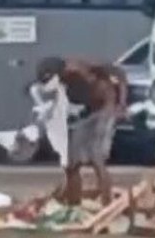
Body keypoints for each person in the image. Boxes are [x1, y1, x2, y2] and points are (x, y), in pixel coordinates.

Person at [34, 57, 128, 206]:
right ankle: (73, 205)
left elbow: (119, 73)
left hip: (106, 108)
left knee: (96, 158)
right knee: (71, 163)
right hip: (89, 112)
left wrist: (121, 104)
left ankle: (107, 204)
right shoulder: (61, 81)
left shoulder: (78, 69)